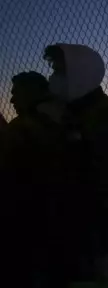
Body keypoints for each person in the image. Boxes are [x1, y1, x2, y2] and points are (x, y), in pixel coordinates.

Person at [43, 43, 108, 286]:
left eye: (59, 71)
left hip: (96, 245)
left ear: (80, 74)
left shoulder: (106, 120)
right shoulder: (83, 115)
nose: (53, 78)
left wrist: (107, 247)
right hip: (86, 238)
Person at [0, 71, 67, 287]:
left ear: (32, 94)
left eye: (16, 93)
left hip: (24, 229)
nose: (11, 99)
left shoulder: (23, 130)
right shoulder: (60, 124)